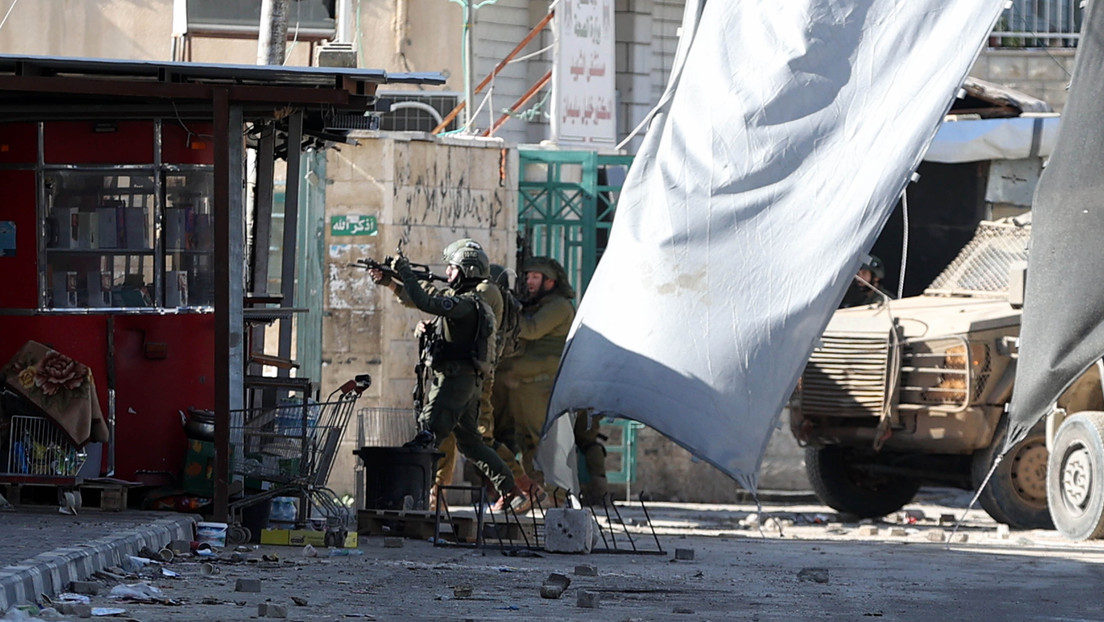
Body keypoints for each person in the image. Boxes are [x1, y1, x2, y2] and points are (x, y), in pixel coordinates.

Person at [368, 239, 531, 513]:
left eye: (452, 268)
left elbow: (428, 300)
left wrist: (405, 271)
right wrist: (395, 284)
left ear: (467, 269)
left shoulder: (474, 299)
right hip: (466, 381)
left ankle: (405, 497)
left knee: (428, 436)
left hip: (456, 381)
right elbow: (443, 317)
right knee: (472, 444)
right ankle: (511, 489)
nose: (448, 273)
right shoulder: (466, 301)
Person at [497, 256, 598, 502]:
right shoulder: (537, 304)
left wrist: (505, 310)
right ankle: (536, 493)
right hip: (523, 387)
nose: (529, 282)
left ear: (550, 282)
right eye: (527, 276)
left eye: (535, 277)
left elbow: (530, 329)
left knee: (542, 446)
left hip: (541, 386)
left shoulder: (559, 306)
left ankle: (558, 499)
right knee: (525, 444)